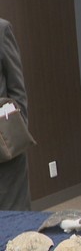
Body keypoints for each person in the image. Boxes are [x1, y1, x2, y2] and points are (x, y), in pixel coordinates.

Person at [0, 18, 31, 211]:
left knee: (15, 221)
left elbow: (18, 91)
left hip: (6, 151)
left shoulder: (2, 30)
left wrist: (16, 136)